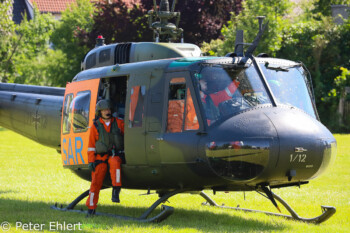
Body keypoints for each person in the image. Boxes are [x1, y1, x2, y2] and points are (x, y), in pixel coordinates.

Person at [86, 99, 124, 216]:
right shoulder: (95, 126)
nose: (107, 112)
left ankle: (116, 190)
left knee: (115, 163)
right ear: (100, 112)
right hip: (100, 158)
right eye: (104, 110)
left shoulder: (118, 123)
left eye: (108, 109)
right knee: (96, 181)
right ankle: (91, 208)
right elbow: (91, 146)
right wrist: (91, 161)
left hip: (114, 154)